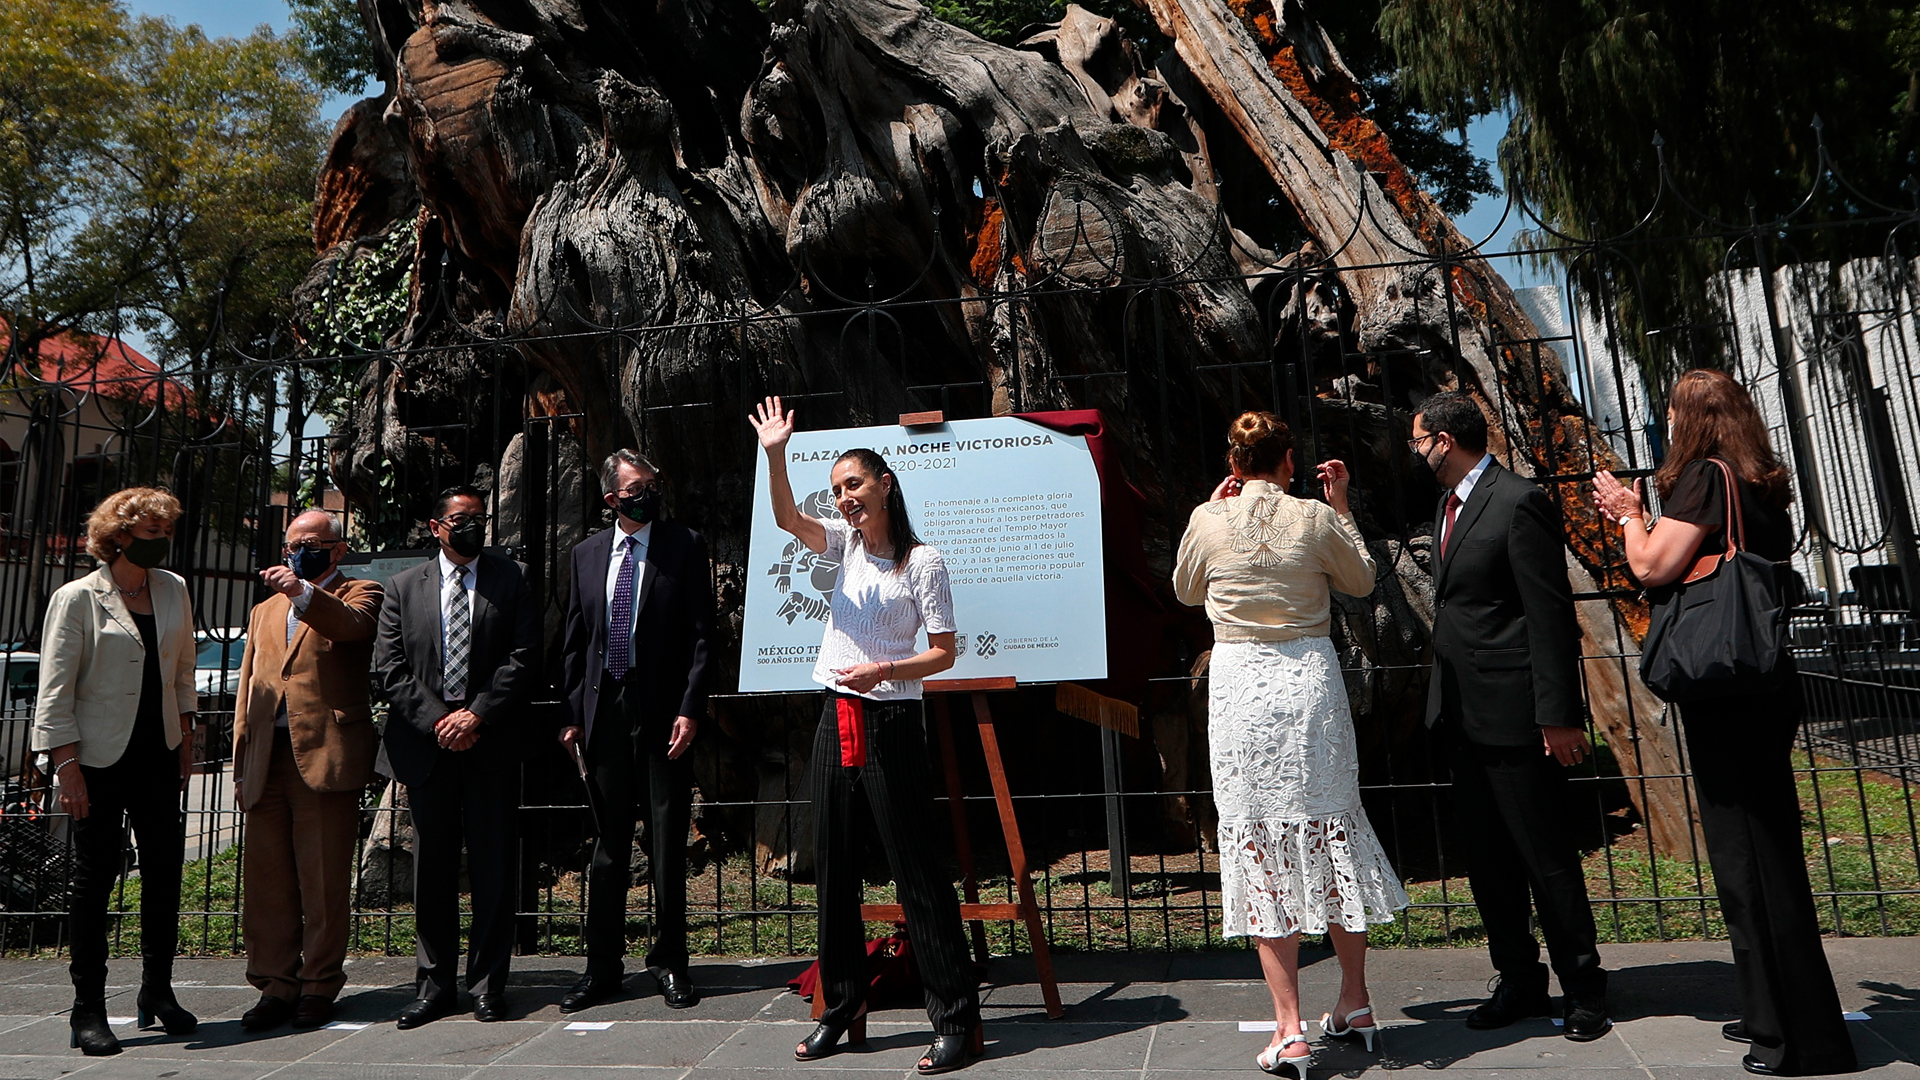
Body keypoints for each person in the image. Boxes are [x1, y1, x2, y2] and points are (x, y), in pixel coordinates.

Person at [1592, 369, 1857, 1077]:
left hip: (1727, 690)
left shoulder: (1706, 477)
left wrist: (1625, 511)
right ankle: (1770, 1011)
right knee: (1761, 851)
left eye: (1674, 412)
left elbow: (1651, 565)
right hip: (1762, 681)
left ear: (1696, 419)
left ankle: (1801, 1040)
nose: (1668, 424)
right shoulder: (1762, 480)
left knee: (1751, 860)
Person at [748, 396, 982, 1076]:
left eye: (853, 485)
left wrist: (885, 668)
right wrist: (775, 454)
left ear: (885, 485)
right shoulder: (845, 543)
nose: (844, 499)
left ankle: (955, 1020)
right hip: (836, 714)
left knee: (918, 874)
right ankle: (841, 1004)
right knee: (835, 868)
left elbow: (945, 651)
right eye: (837, 491)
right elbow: (787, 518)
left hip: (891, 720)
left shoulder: (923, 562)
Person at [1173, 412, 1409, 1078]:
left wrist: (1211, 514)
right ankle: (1356, 1000)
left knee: (1259, 838)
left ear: (1234, 463)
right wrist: (1340, 507)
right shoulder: (1313, 515)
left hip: (1243, 683)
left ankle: (1289, 1028)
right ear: (1288, 460)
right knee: (1330, 827)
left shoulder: (1207, 517)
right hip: (1309, 678)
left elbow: (1186, 590)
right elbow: (1361, 579)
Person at [1413, 390, 1611, 1040]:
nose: (1415, 452)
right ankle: (1519, 980)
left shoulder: (1517, 500)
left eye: (1419, 440)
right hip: (1463, 717)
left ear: (1444, 440)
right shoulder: (1446, 506)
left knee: (1545, 856)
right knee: (1489, 862)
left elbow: (1549, 613)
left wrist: (1558, 713)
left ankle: (1583, 987)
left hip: (1517, 715)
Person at [32, 487, 199, 1055]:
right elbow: (54, 691)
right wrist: (66, 766)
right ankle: (87, 1010)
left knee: (164, 875)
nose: (163, 542)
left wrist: (186, 737)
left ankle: (158, 991)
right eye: (153, 532)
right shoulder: (77, 598)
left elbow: (182, 669)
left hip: (158, 753)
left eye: (166, 531)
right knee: (93, 882)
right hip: (98, 761)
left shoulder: (173, 588)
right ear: (120, 535)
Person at [375, 485, 541, 1027]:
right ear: (435, 526)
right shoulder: (401, 588)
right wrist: (439, 722)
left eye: (478, 518)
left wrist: (477, 714)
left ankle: (489, 984)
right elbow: (391, 668)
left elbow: (523, 655)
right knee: (433, 870)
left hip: (488, 741)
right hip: (428, 747)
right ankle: (433, 983)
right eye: (459, 518)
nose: (471, 525)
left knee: (494, 867)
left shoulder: (509, 577)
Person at [557, 450, 714, 1012]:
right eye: (635, 487)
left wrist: (691, 708)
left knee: (668, 839)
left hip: (665, 714)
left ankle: (670, 962)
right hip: (605, 714)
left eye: (653, 483)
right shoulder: (585, 554)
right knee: (608, 845)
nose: (646, 493)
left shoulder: (684, 545)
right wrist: (571, 714)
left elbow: (702, 636)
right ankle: (602, 967)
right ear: (611, 499)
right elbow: (575, 640)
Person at [233, 510, 385, 1031]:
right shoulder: (263, 611)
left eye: (313, 543)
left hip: (324, 755)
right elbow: (249, 686)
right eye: (293, 543)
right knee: (267, 882)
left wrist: (302, 590)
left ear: (337, 550)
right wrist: (240, 759)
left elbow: (352, 630)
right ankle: (275, 985)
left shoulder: (360, 592)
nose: (299, 550)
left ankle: (319, 985)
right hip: (266, 760)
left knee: (322, 878)